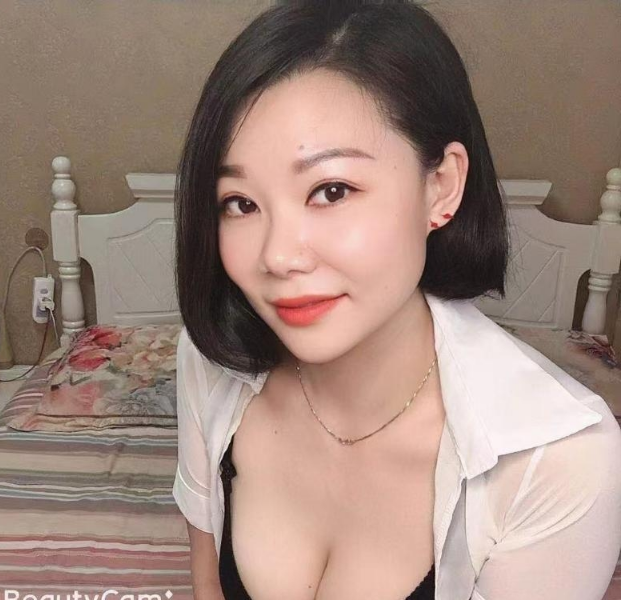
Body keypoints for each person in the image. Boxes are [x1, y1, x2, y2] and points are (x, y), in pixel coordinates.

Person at [171, 1, 621, 598]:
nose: (277, 257)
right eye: (240, 203)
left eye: (332, 190)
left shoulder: (559, 459)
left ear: (442, 186)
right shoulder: (211, 362)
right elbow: (207, 585)